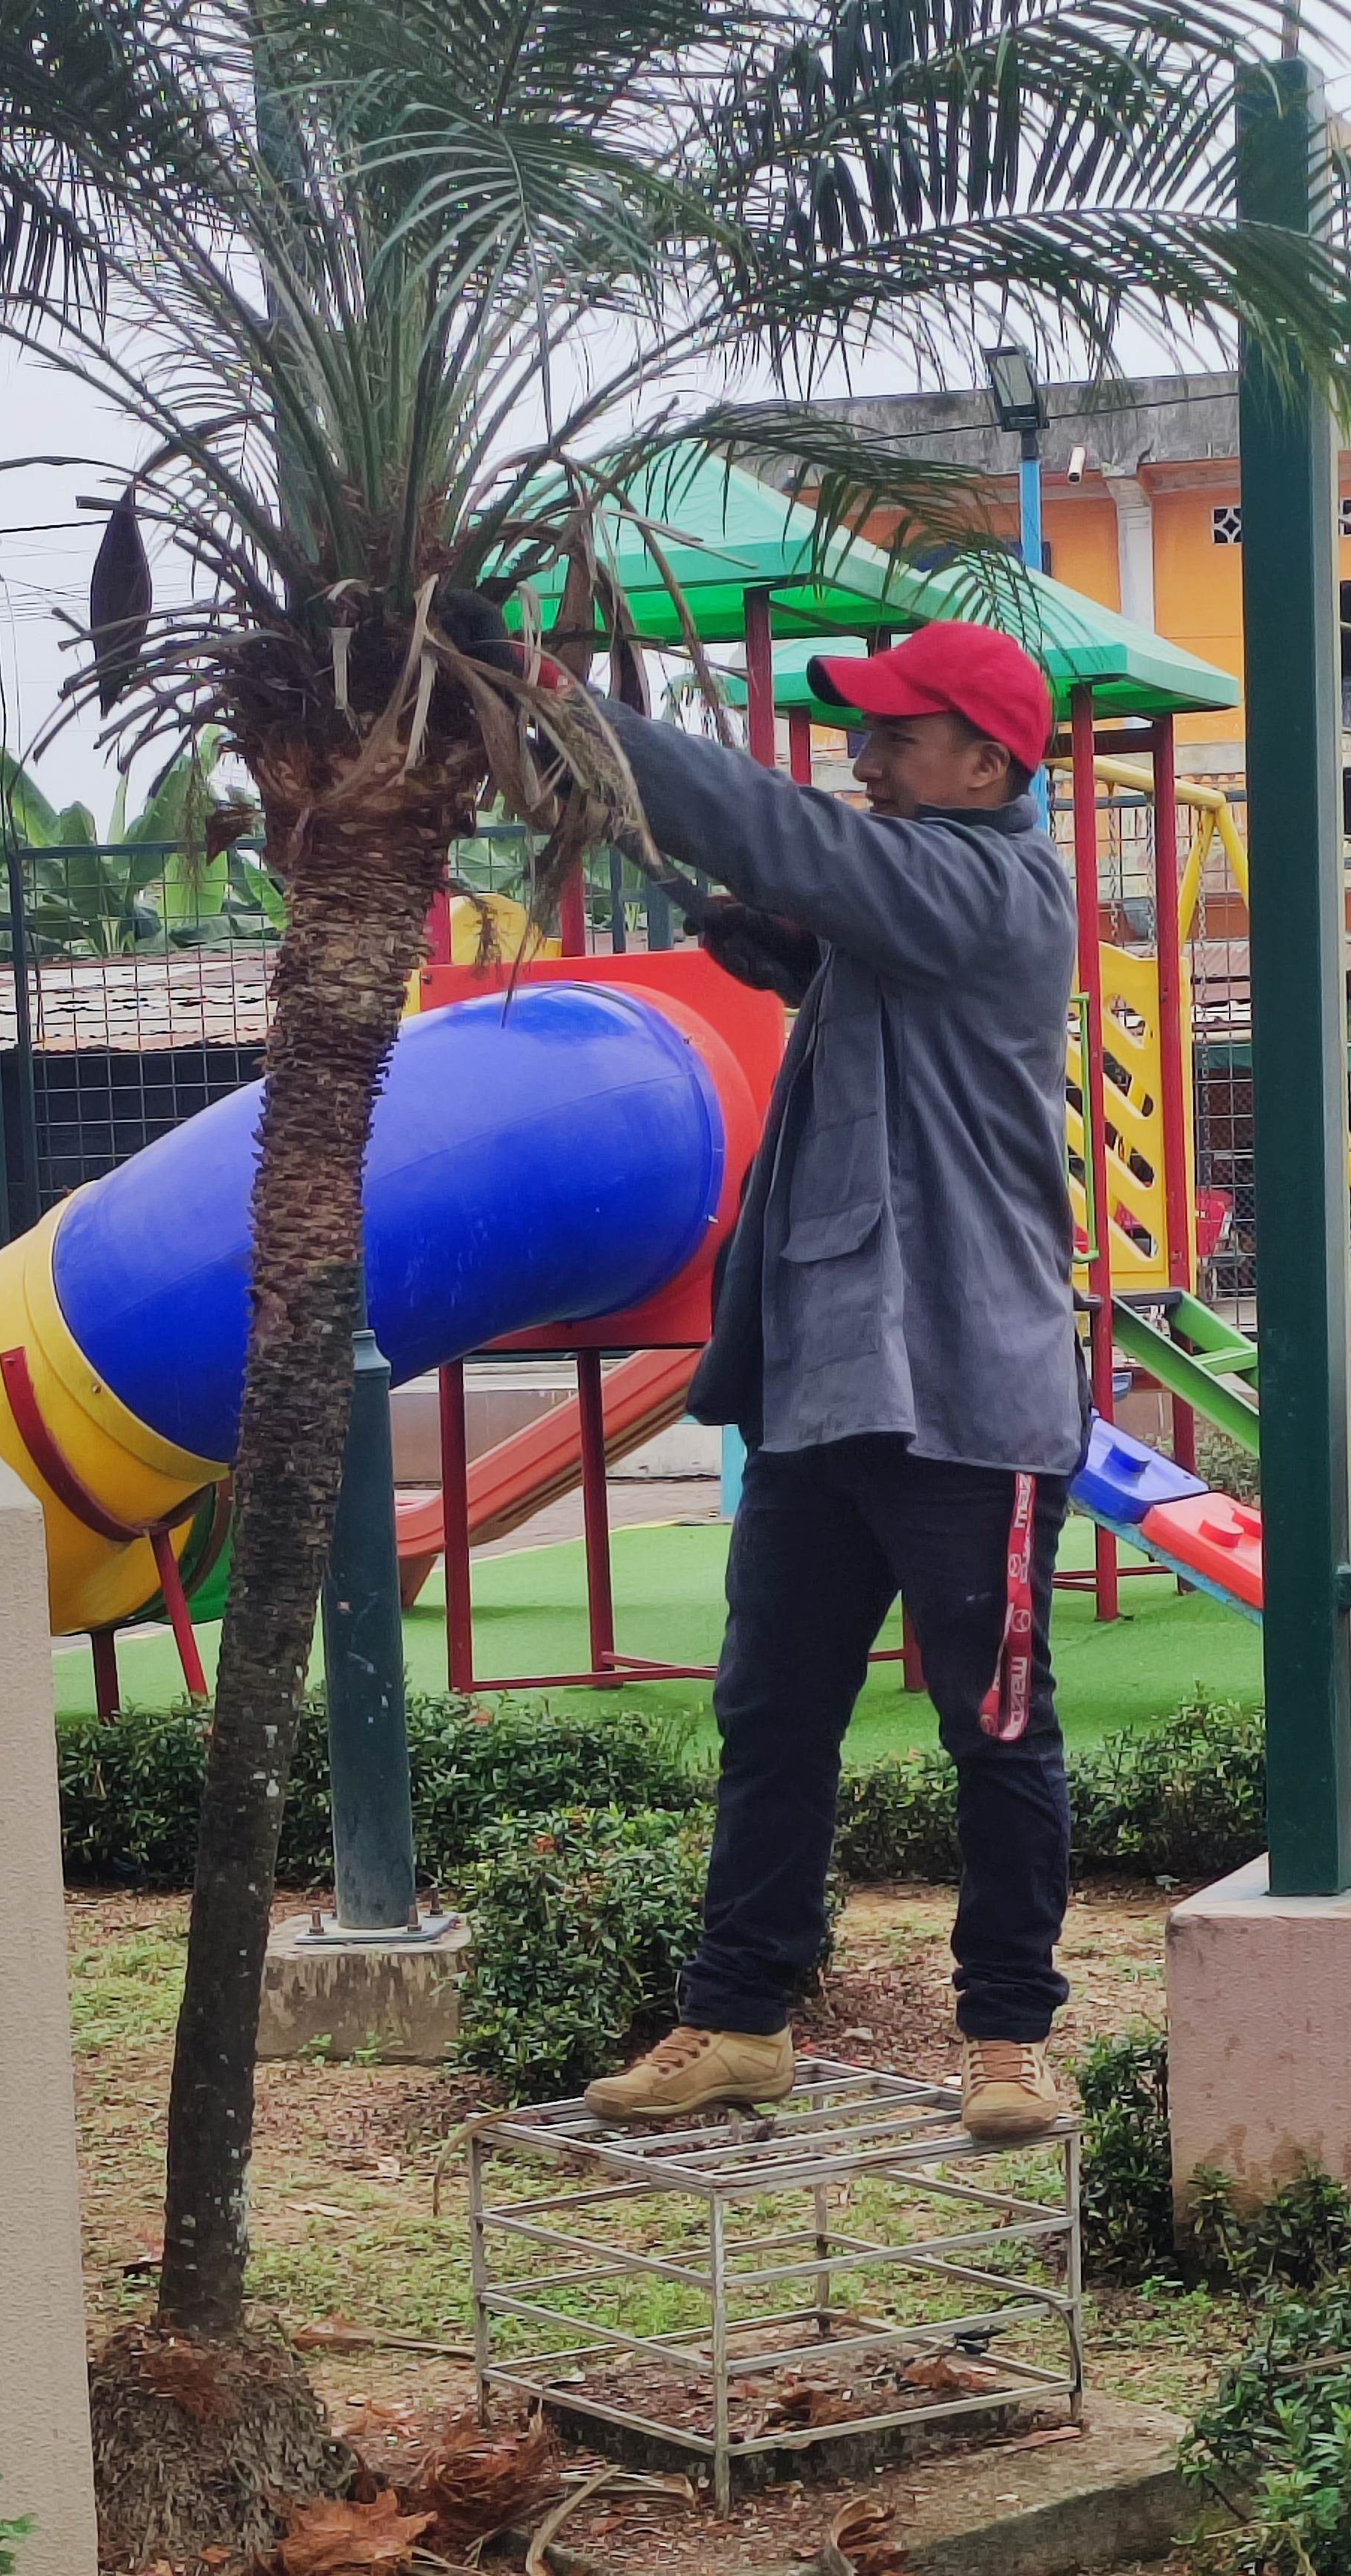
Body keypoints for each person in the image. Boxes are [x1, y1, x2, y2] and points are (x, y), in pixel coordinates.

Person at [493, 610, 1082, 2144]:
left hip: (970, 1394)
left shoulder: (994, 885)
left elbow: (778, 832)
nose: (865, 755)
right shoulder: (904, 910)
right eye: (865, 730)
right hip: (829, 1385)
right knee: (771, 1716)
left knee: (996, 1727)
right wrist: (769, 935)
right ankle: (742, 2019)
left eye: (897, 733)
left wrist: (555, 699)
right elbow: (806, 905)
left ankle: (1010, 2039)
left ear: (987, 764)